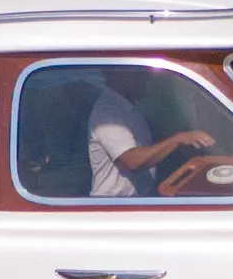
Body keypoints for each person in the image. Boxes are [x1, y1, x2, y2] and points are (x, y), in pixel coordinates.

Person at [83, 77, 214, 198]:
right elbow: (131, 161)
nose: (146, 77)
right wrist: (178, 139)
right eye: (140, 72)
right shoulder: (108, 113)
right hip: (114, 208)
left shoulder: (131, 106)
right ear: (123, 76)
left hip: (139, 200)